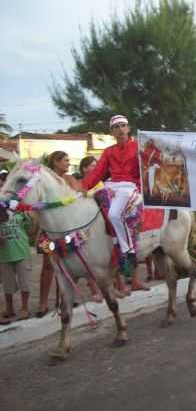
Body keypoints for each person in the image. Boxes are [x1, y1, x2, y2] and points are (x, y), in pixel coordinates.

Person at [81, 115, 149, 291]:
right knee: (95, 205)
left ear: (128, 128)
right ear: (112, 131)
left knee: (113, 214)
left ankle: (129, 250)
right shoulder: (108, 151)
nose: (120, 129)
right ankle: (111, 242)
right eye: (116, 127)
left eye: (123, 126)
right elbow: (97, 173)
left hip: (131, 186)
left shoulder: (139, 147)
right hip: (112, 186)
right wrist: (83, 187)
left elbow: (150, 166)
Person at [36, 152, 104, 317]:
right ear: (56, 162)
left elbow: (77, 199)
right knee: (48, 266)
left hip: (68, 228)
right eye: (65, 160)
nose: (68, 163)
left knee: (68, 261)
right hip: (49, 228)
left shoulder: (70, 179)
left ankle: (66, 298)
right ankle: (43, 302)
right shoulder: (43, 180)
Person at [0, 170, 35, 325]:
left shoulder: (19, 209)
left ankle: (25, 307)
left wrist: (32, 220)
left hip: (22, 253)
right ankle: (9, 308)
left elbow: (31, 229)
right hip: (4, 255)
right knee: (7, 285)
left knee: (24, 283)